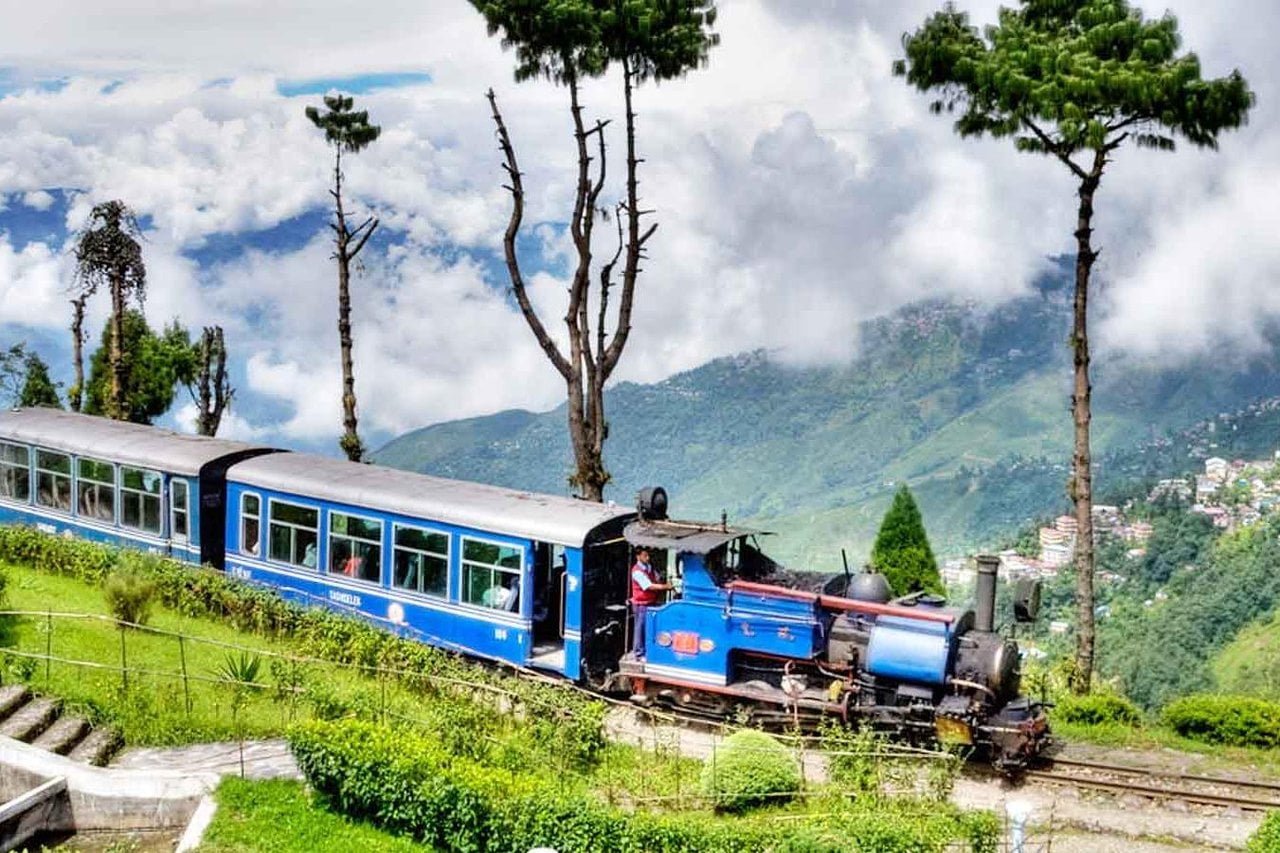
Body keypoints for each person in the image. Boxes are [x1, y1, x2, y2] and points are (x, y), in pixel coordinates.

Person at [629, 548, 670, 659]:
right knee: (640, 628)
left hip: (650, 602)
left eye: (648, 555)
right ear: (638, 557)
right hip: (641, 604)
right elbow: (648, 586)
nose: (648, 558)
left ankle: (648, 650)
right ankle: (638, 652)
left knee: (649, 627)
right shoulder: (637, 571)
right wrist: (664, 587)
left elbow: (656, 578)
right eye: (645, 556)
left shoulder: (649, 567)